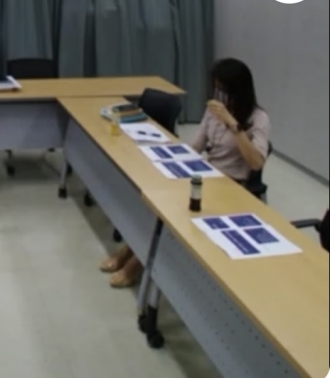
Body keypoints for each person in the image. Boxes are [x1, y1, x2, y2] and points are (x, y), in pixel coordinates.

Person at [101, 58, 271, 288]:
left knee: (174, 215)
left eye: (224, 90)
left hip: (232, 184)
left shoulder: (258, 119)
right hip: (206, 175)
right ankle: (128, 250)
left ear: (238, 90)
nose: (219, 95)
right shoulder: (213, 111)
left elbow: (256, 163)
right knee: (160, 202)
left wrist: (233, 125)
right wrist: (170, 161)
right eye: (216, 88)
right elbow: (196, 146)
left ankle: (134, 265)